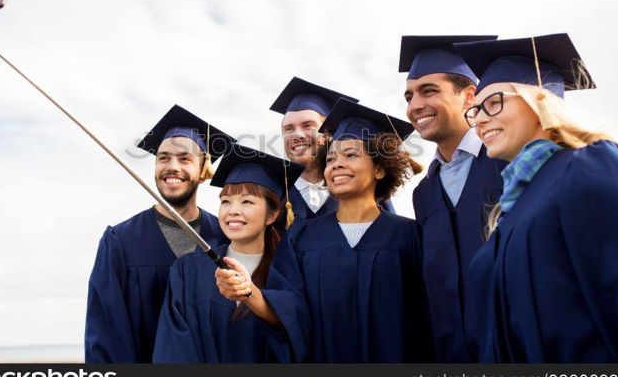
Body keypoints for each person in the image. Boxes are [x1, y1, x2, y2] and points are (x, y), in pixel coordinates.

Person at [219, 98, 431, 362]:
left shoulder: (410, 235)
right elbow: (289, 310)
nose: (337, 164)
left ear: (379, 168)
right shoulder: (300, 238)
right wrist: (249, 291)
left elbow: (430, 313)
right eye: (330, 159)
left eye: (351, 155)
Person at [455, 33, 618, 362]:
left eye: (494, 102)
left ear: (539, 102)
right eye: (475, 112)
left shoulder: (587, 166)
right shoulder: (507, 210)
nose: (481, 120)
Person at [85, 105, 232, 362]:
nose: (171, 166)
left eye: (184, 159)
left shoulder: (224, 237)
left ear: (203, 171)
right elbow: (105, 332)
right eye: (163, 158)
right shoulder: (121, 241)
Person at [400, 35, 507, 362]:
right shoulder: (424, 192)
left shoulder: (509, 163)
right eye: (409, 96)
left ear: (469, 96)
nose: (414, 105)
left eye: (429, 90)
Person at [153, 145, 304, 362]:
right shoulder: (189, 270)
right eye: (226, 201)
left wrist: (252, 295)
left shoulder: (290, 269)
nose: (232, 210)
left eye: (247, 201)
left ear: (272, 215)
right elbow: (174, 348)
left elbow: (301, 338)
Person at [270, 77, 394, 227]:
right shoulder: (271, 193)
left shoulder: (368, 192)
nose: (297, 135)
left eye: (308, 125)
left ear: (328, 134)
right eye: (289, 129)